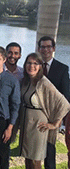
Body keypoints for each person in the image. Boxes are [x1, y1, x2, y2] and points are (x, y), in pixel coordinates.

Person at [18, 52, 70, 169]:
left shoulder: (43, 83)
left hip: (38, 125)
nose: (32, 66)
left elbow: (64, 103)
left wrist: (55, 124)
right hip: (26, 124)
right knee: (27, 157)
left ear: (41, 66)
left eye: (36, 63)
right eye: (29, 63)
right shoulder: (25, 81)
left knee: (36, 160)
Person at [37, 36, 70, 169]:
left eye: (48, 47)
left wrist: (59, 118)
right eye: (43, 47)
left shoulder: (62, 69)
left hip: (52, 118)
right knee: (33, 152)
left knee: (49, 150)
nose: (46, 50)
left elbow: (66, 95)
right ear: (39, 49)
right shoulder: (33, 66)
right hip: (36, 117)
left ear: (54, 48)